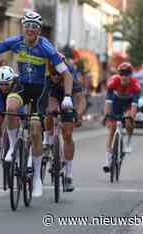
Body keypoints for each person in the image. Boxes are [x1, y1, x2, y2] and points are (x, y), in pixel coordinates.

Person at [0, 11, 74, 197]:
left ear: (39, 30)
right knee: (11, 108)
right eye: (27, 26)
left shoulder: (46, 48)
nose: (30, 30)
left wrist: (68, 96)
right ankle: (13, 147)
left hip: (39, 89)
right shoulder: (16, 41)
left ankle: (36, 177)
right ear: (23, 27)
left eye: (34, 27)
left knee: (36, 129)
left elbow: (66, 74)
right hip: (21, 85)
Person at [44, 52, 86, 192]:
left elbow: (80, 100)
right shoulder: (47, 77)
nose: (55, 76)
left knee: (67, 134)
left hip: (67, 98)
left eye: (58, 74)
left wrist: (78, 116)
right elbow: (46, 100)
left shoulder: (71, 77)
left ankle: (68, 175)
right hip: (54, 96)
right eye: (52, 73)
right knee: (50, 111)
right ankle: (48, 140)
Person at [103, 62, 141, 173]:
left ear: (131, 75)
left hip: (129, 103)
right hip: (117, 102)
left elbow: (134, 105)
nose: (124, 76)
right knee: (111, 130)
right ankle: (107, 160)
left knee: (129, 120)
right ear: (119, 75)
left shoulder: (135, 85)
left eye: (127, 74)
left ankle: (128, 141)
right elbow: (108, 101)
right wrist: (107, 115)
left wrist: (131, 118)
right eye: (122, 74)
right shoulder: (113, 81)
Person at [0, 66, 25, 165]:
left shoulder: (19, 83)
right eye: (1, 84)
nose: (3, 87)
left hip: (17, 97)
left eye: (6, 84)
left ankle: (21, 142)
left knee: (20, 116)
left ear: (12, 81)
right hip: (1, 98)